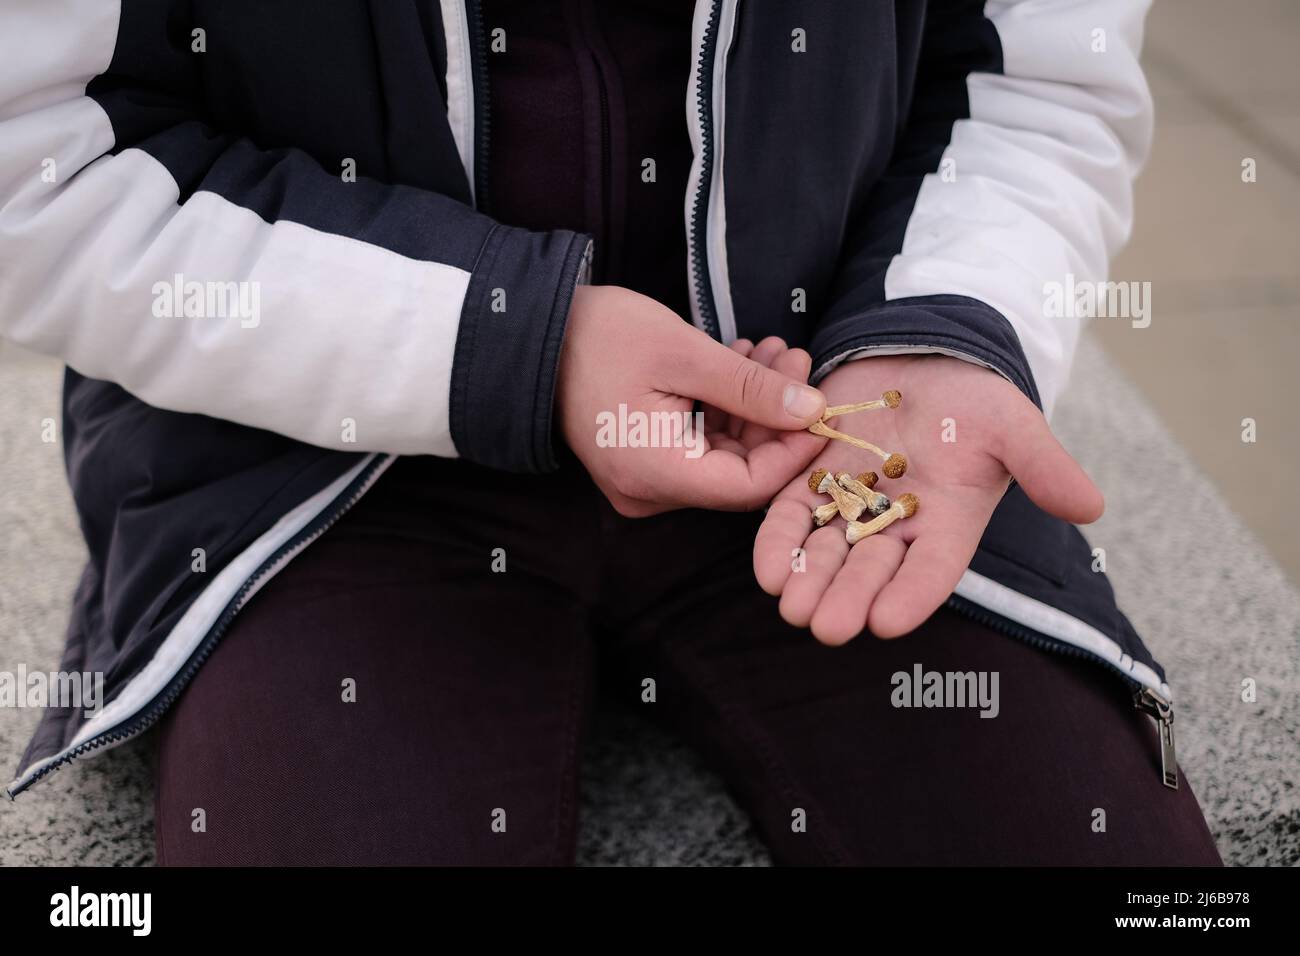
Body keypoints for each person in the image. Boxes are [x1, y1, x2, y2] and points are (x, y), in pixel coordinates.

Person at [1, 0, 1221, 865]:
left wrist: (944, 320)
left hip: (833, 416)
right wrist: (512, 347)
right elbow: (39, 157)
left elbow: (1027, 77)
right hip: (321, 465)